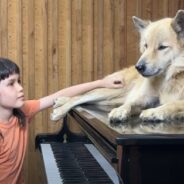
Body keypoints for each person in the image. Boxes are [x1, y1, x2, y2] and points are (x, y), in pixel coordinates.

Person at [0, 57, 124, 184]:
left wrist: (101, 83)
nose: (20, 88)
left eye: (18, 81)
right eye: (11, 84)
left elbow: (58, 95)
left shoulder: (23, 111)